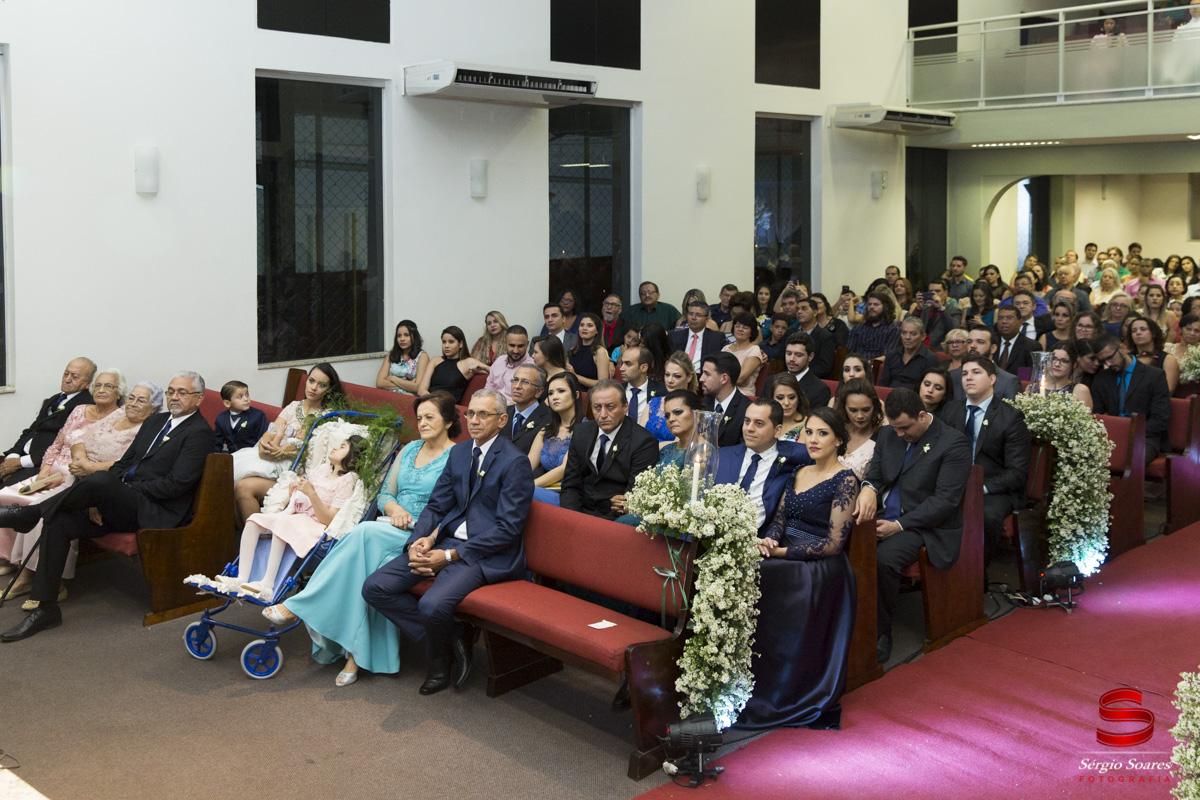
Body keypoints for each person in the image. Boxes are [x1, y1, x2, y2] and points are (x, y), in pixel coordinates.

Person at [1, 372, 215, 642]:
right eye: (171, 391)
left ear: (199, 398)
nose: (174, 397)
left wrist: (117, 491)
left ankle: (30, 514)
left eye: (182, 392)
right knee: (60, 522)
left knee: (100, 479)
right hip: (124, 505)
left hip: (154, 511)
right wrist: (102, 497)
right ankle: (46, 609)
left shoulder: (199, 433)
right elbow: (123, 464)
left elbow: (174, 486)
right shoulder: (157, 421)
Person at [263, 393, 458, 686]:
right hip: (391, 527)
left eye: (430, 417)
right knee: (367, 566)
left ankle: (297, 606)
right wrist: (394, 509)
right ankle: (356, 653)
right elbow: (385, 495)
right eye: (419, 418)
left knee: (361, 533)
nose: (423, 423)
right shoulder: (410, 449)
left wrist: (427, 532)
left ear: (449, 421)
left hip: (426, 534)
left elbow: (455, 507)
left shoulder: (457, 455)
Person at [361, 389, 534, 695]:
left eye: (484, 415)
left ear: (502, 420)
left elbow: (507, 529)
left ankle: (439, 661)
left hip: (485, 553)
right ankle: (454, 636)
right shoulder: (460, 452)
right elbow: (436, 506)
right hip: (448, 541)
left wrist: (452, 555)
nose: (474, 421)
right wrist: (418, 541)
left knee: (430, 606)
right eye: (470, 414)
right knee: (375, 587)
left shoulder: (514, 462)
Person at [737, 405, 857, 730]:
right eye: (809, 432)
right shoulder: (799, 471)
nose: (813, 440)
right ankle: (747, 683)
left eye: (823, 433)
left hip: (819, 564)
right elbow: (779, 520)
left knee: (771, 573)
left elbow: (834, 543)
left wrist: (778, 552)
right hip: (784, 547)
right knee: (747, 568)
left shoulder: (846, 479)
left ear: (839, 440)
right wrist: (767, 542)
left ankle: (783, 690)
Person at [0, 372, 144, 601]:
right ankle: (13, 559)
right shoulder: (82, 410)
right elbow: (63, 442)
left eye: (109, 386)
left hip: (79, 475)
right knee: (6, 495)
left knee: (39, 509)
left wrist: (84, 477)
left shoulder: (125, 418)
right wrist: (45, 471)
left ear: (119, 393)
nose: (102, 390)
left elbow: (118, 462)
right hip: (61, 469)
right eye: (98, 385)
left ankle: (32, 577)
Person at [854, 388, 972, 664]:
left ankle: (882, 633)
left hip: (925, 525)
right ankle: (850, 622)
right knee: (841, 541)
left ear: (922, 416)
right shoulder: (887, 434)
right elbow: (876, 474)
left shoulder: (952, 443)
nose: (899, 435)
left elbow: (945, 501)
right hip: (883, 514)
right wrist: (869, 489)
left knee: (884, 560)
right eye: (894, 428)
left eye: (904, 428)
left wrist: (899, 524)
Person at [227, 434, 364, 600]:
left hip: (314, 524)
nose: (335, 447)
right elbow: (302, 496)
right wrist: (296, 491)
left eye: (343, 447)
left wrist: (311, 494)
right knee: (253, 521)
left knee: (282, 525)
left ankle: (268, 583)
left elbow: (329, 519)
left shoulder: (348, 480)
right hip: (295, 517)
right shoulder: (322, 470)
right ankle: (241, 577)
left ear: (351, 459)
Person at [943, 356, 1031, 567]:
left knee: (986, 514)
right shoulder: (950, 410)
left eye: (976, 372)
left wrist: (981, 488)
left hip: (994, 488)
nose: (968, 378)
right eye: (964, 374)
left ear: (992, 379)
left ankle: (976, 575)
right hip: (954, 482)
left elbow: (1017, 472)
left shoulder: (1010, 417)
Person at [234, 363, 344, 526]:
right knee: (233, 475)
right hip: (274, 464)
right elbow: (268, 437)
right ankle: (242, 539)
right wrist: (267, 448)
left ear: (328, 389)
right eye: (311, 380)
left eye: (321, 385)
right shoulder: (293, 407)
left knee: (244, 487)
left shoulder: (328, 416)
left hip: (299, 475)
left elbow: (317, 456)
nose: (313, 387)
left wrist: (285, 453)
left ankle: (258, 539)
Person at [559, 379, 659, 519]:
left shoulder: (643, 443)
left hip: (616, 520)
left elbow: (632, 498)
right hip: (579, 512)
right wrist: (575, 519)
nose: (603, 415)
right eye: (597, 407)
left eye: (610, 407)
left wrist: (597, 527)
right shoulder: (582, 432)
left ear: (625, 407)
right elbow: (571, 484)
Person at [612, 391, 704, 528]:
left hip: (675, 524)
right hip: (651, 515)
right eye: (667, 415)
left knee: (619, 525)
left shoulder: (703, 452)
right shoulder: (667, 450)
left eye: (677, 412)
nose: (671, 419)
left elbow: (689, 500)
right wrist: (630, 502)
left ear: (697, 415)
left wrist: (639, 507)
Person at [2, 358, 96, 487]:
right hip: (20, 457)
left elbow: (63, 445)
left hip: (39, 465)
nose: (67, 379)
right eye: (66, 373)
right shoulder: (55, 398)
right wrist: (12, 456)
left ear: (88, 384)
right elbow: (31, 430)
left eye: (75, 377)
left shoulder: (86, 406)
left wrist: (20, 462)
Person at [1091, 334, 1171, 464]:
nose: (1107, 365)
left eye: (1110, 358)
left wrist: (1130, 432)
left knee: (1133, 459)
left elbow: (1161, 418)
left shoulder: (1154, 376)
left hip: (1145, 437)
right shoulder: (1101, 378)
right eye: (1102, 361)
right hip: (1110, 435)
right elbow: (1098, 414)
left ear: (1122, 349)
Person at [527, 371, 582, 505]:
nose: (554, 397)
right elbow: (527, 464)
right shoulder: (546, 429)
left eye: (561, 391)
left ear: (576, 395)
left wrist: (527, 486)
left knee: (521, 494)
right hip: (539, 487)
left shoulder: (584, 429)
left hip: (566, 494)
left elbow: (564, 470)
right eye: (551, 393)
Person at [950, 325, 1020, 402]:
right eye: (969, 342)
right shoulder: (952, 376)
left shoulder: (1008, 381)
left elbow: (1010, 413)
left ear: (993, 348)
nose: (973, 346)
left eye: (980, 342)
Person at [418, 326, 488, 401]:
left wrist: (483, 367)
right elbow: (421, 390)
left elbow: (494, 371)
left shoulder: (468, 362)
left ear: (460, 344)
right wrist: (433, 401)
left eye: (451, 342)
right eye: (444, 342)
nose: (446, 346)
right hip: (429, 401)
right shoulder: (435, 360)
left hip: (447, 406)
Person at [645, 352, 699, 443]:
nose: (670, 380)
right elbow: (639, 438)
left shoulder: (693, 406)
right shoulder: (654, 403)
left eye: (677, 376)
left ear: (689, 377)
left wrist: (650, 448)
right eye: (667, 374)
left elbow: (681, 444)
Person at [834, 378, 882, 479]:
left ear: (875, 407)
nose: (860, 416)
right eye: (853, 410)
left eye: (866, 410)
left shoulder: (882, 436)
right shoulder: (835, 430)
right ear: (844, 408)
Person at [701, 352, 750, 447]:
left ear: (724, 379)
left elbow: (743, 449)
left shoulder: (747, 409)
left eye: (707, 374)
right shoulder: (702, 404)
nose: (701, 379)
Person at [499, 365, 550, 455]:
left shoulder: (549, 419)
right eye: (515, 380)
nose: (517, 386)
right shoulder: (502, 413)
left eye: (526, 382)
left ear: (539, 391)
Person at [878, 316, 939, 391]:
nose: (907, 337)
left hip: (914, 399)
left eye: (913, 334)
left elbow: (928, 389)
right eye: (904, 333)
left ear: (923, 336)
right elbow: (883, 383)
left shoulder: (929, 358)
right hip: (890, 396)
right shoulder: (892, 354)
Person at [1030, 342, 1093, 409]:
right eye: (1053, 359)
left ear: (1074, 365)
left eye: (1064, 361)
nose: (1057, 364)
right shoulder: (1032, 388)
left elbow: (1085, 418)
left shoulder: (1080, 390)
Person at [1126, 317, 1180, 394]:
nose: (1138, 333)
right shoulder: (1127, 358)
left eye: (1143, 329)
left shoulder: (1168, 360)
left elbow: (1168, 390)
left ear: (1153, 333)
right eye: (1134, 331)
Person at [669, 301, 726, 373]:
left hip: (703, 379)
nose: (693, 318)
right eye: (690, 314)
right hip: (679, 377)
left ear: (707, 319)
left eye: (698, 315)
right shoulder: (675, 336)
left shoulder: (717, 338)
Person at [213, 380, 269, 454]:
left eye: (247, 395)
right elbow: (217, 442)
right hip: (231, 456)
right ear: (227, 403)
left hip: (251, 456)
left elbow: (265, 440)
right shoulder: (221, 418)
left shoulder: (258, 416)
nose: (246, 399)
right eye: (240, 397)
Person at [618, 345, 667, 428]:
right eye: (622, 363)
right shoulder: (616, 390)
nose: (621, 368)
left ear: (643, 368)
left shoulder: (662, 391)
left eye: (628, 364)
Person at [484, 325, 535, 402]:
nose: (516, 351)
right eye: (512, 345)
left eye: (520, 346)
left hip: (511, 410)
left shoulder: (531, 367)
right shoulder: (499, 361)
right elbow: (488, 388)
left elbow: (526, 400)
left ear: (527, 344)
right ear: (505, 343)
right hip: (491, 405)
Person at [376, 321, 429, 395]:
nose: (402, 339)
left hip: (409, 396)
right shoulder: (391, 354)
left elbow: (418, 387)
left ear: (414, 336)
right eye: (399, 336)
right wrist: (409, 384)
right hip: (389, 395)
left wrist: (393, 378)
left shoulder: (422, 356)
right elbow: (379, 383)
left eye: (406, 335)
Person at [722, 312, 768, 397]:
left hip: (742, 395)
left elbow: (740, 379)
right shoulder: (726, 349)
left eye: (745, 327)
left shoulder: (754, 350)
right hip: (722, 392)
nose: (740, 329)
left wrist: (718, 379)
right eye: (737, 326)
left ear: (751, 332)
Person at [847, 291, 900, 361]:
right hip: (855, 365)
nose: (871, 307)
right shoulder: (858, 328)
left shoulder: (893, 330)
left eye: (876, 304)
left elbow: (887, 356)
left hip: (877, 367)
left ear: (885, 307)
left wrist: (867, 364)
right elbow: (848, 351)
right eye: (869, 304)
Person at [567, 312, 612, 389]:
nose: (584, 328)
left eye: (589, 325)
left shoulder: (600, 351)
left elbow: (603, 383)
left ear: (597, 331)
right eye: (582, 325)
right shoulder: (573, 349)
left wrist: (576, 376)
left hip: (589, 396)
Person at [764, 373, 810, 443]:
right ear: (772, 399)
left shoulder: (808, 425)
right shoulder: (766, 421)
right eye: (780, 398)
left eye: (791, 397)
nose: (786, 403)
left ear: (798, 399)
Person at [994, 305, 1040, 374]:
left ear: (1020, 322)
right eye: (1000, 318)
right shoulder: (991, 342)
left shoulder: (1032, 347)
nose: (1004, 321)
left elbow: (1033, 375)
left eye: (1009, 318)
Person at [918, 279, 963, 349]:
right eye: (930, 291)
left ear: (945, 293)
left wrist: (941, 308)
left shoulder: (954, 310)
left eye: (937, 291)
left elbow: (954, 330)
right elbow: (911, 326)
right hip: (921, 347)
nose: (934, 294)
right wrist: (918, 309)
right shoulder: (925, 309)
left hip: (940, 349)